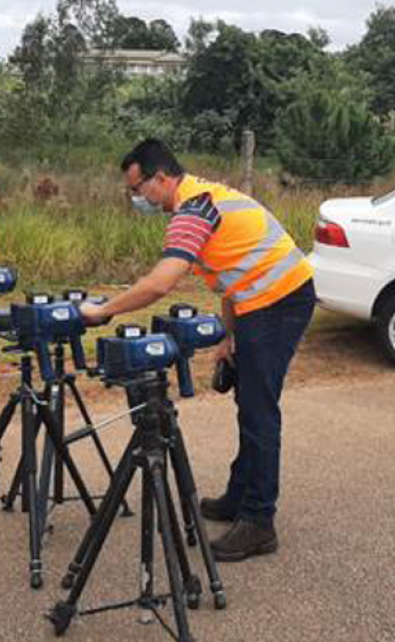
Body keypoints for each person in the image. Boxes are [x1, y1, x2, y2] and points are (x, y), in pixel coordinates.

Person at [81, 138, 315, 561]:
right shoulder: (202, 198)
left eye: (138, 189)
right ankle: (239, 496)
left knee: (260, 409)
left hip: (281, 300)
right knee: (248, 401)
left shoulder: (193, 210)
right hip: (255, 300)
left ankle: (259, 522)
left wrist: (102, 311)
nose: (136, 198)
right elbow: (232, 274)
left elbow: (159, 283)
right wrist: (228, 337)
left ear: (161, 179)